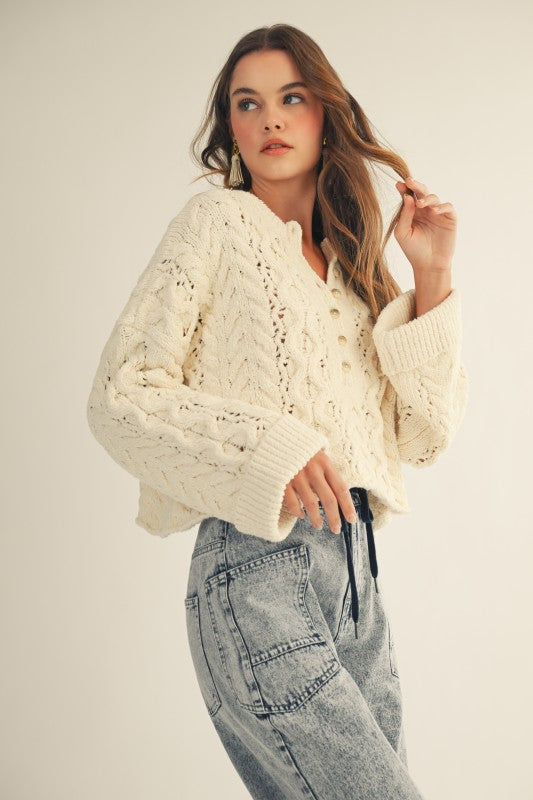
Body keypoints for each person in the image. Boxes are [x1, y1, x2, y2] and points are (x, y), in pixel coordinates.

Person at [86, 23, 468, 800]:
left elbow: (422, 438)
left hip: (358, 583)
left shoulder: (354, 270)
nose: (270, 119)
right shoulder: (214, 226)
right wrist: (270, 446)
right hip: (259, 568)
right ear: (229, 126)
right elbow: (121, 394)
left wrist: (429, 276)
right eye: (247, 103)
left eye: (291, 98)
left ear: (325, 112)